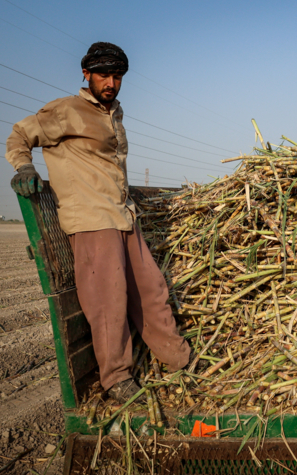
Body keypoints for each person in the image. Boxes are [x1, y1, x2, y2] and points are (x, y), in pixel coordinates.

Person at [6, 42, 190, 402]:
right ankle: (117, 378)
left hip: (122, 217)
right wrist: (24, 166)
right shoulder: (66, 110)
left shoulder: (113, 113)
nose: (110, 82)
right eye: (103, 75)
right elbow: (19, 135)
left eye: (117, 76)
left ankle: (179, 361)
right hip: (91, 221)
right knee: (109, 303)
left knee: (152, 291)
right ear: (86, 74)